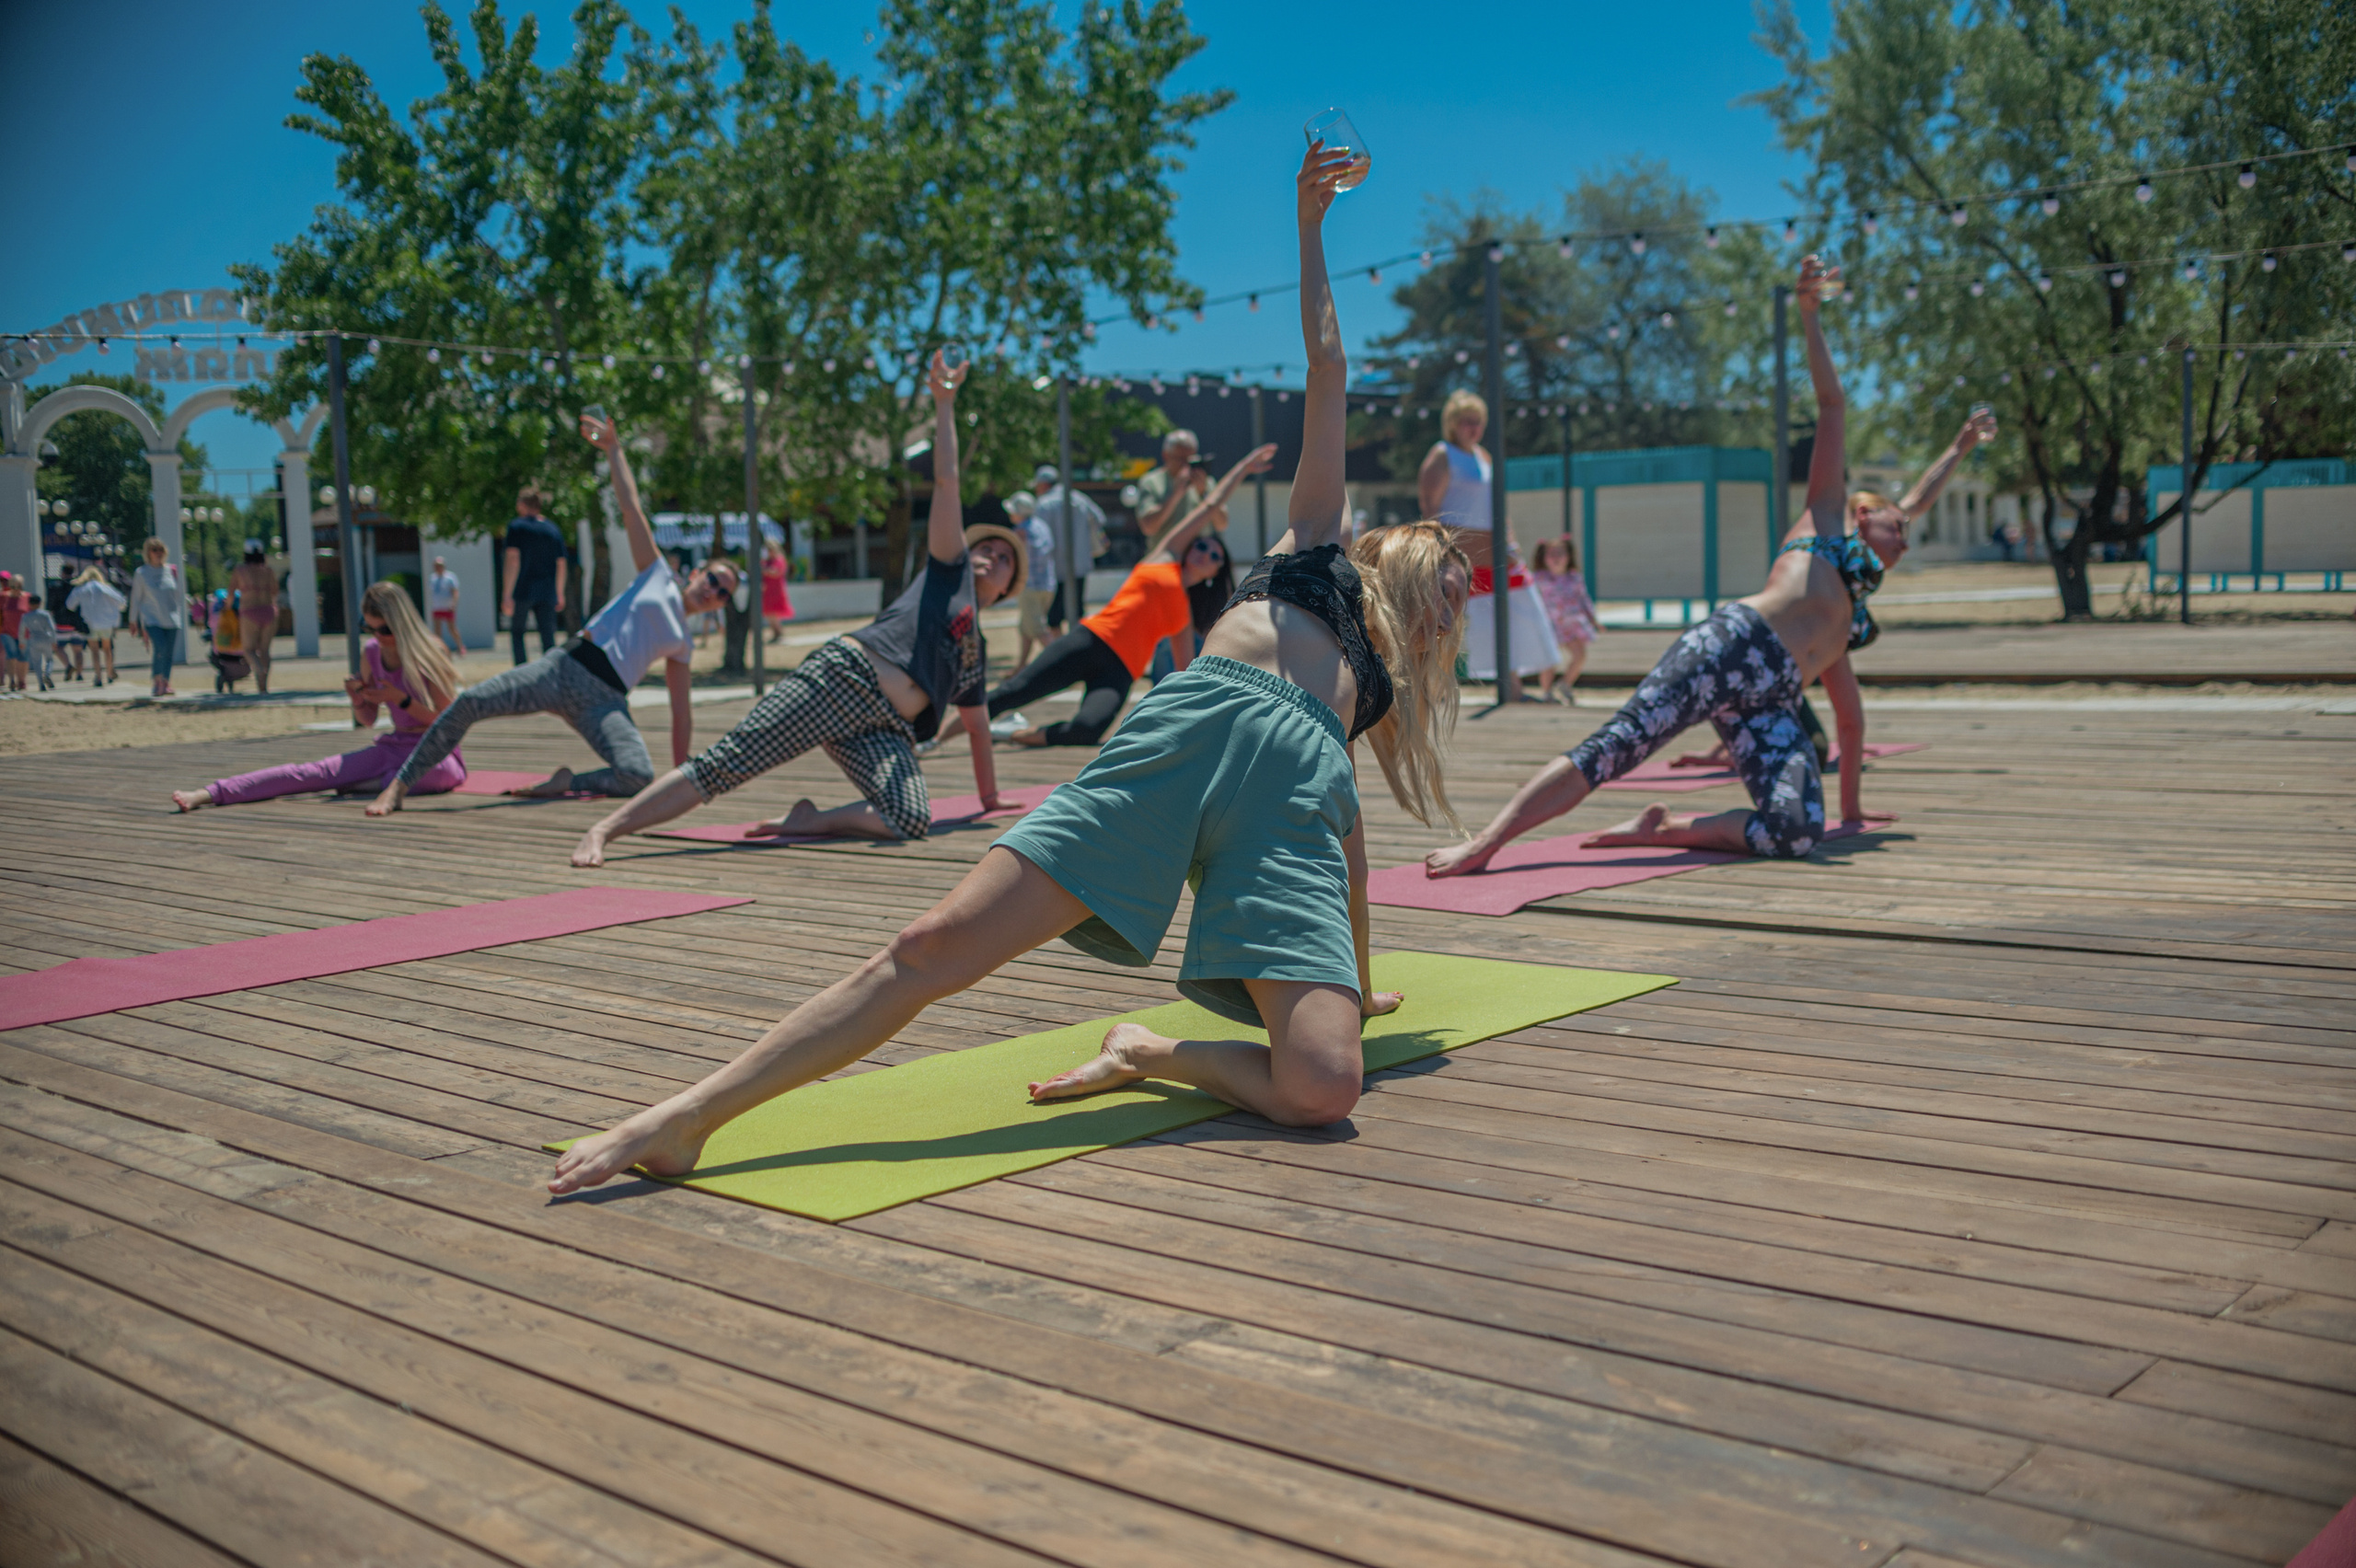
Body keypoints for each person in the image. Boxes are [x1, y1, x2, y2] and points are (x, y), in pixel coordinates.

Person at [549, 140, 1472, 1195]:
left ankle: (1144, 1051)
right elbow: (1327, 374)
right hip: (1192, 732)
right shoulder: (1315, 550)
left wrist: (1354, 983)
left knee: (1321, 1088)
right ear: (1394, 557)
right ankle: (687, 1115)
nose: (1458, 590)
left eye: (1464, 589)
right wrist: (1308, 229)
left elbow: (1344, 851)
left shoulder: (1375, 694)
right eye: (1448, 568)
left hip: (1293, 797)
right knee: (936, 942)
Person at [1426, 259, 1998, 875]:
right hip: (1728, 648)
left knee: (1796, 830)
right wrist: (1810, 316)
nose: (1906, 538)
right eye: (1898, 526)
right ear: (1865, 517)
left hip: (1771, 696)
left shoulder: (1846, 618)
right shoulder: (1824, 522)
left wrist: (1961, 448)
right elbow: (1832, 405)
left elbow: (1852, 723)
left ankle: (1661, 828)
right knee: (1616, 748)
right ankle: (1484, 844)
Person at [568, 352, 1023, 866]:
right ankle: (606, 829)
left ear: (1009, 587)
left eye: (1006, 559)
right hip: (844, 679)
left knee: (910, 817)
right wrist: (944, 403)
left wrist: (989, 801)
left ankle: (811, 819)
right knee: (728, 764)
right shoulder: (950, 568)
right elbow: (947, 483)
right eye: (988, 547)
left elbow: (979, 727)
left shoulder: (974, 652)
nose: (993, 556)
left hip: (883, 729)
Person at [369, 414, 734, 816]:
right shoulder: (657, 574)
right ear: (698, 573)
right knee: (470, 702)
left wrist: (680, 777)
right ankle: (399, 786)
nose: (712, 591)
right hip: (561, 669)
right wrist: (614, 449)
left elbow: (681, 713)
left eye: (722, 594)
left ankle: (566, 783)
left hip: (604, 702)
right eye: (713, 579)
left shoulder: (682, 642)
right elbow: (631, 508)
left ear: (719, 605)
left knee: (636, 775)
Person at [945, 443, 1276, 749]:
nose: (1205, 553)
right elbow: (1209, 505)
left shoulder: (1185, 618)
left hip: (1120, 671)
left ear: (1216, 573)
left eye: (1215, 556)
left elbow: (1186, 672)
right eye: (1202, 545)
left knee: (1086, 731)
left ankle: (1010, 733)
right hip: (1091, 641)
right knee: (1012, 692)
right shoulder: (1163, 558)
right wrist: (1245, 467)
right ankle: (935, 739)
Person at [173, 582, 465, 812]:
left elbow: (451, 722)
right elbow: (368, 720)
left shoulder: (431, 651)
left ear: (401, 623)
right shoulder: (372, 652)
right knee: (311, 773)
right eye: (369, 628)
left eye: (385, 629)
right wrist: (358, 699)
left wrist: (401, 699)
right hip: (394, 746)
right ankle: (210, 793)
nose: (377, 635)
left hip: (436, 750)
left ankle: (374, 784)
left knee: (441, 774)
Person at [1420, 389, 1560, 693]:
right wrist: (1439, 551)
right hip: (1459, 551)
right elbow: (1429, 506)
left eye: (1479, 421)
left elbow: (1495, 503)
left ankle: (1516, 684)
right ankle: (1435, 690)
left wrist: (1510, 538)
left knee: (1522, 608)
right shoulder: (1443, 453)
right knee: (1456, 622)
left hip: (1494, 547)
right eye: (1467, 421)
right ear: (1453, 423)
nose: (1474, 428)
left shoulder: (1484, 456)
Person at [1031, 463, 1106, 629]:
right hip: (1080, 565)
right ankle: (1075, 649)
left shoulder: (1043, 504)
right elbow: (1100, 519)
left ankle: (1061, 650)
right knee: (1077, 613)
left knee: (1054, 618)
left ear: (1044, 485)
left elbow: (1039, 535)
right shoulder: (1079, 498)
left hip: (1055, 569)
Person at [1529, 535, 1599, 703]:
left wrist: (1593, 619)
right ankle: (1546, 692)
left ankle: (1565, 684)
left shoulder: (1574, 578)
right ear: (1543, 558)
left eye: (1560, 553)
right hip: (1549, 626)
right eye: (1551, 554)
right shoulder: (1538, 578)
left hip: (1571, 625)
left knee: (1580, 655)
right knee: (1549, 661)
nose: (1556, 558)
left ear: (1569, 556)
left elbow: (1584, 599)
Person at [502, 487, 569, 664]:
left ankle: (520, 672)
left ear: (523, 504)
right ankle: (549, 673)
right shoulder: (552, 529)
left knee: (517, 632)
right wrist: (559, 592)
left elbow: (513, 561)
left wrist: (507, 593)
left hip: (522, 589)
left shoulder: (517, 527)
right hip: (547, 591)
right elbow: (561, 564)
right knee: (548, 636)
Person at [1008, 492, 1062, 668]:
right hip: (1047, 585)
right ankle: (1021, 667)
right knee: (1026, 628)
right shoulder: (1041, 526)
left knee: (1039, 630)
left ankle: (1066, 665)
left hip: (1029, 587)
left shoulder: (1021, 531)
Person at [130, 539, 186, 698]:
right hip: (152, 619)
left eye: (161, 549)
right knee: (160, 648)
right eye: (154, 550)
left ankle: (166, 682)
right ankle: (157, 681)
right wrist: (133, 620)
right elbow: (135, 598)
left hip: (172, 618)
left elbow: (178, 595)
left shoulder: (172, 570)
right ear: (148, 553)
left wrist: (181, 615)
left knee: (168, 653)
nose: (158, 553)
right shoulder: (141, 573)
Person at [229, 539, 279, 695]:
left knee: (248, 650)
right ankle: (263, 686)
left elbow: (230, 593)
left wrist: (228, 609)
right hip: (269, 611)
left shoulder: (240, 570)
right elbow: (275, 591)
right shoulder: (268, 570)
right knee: (265, 650)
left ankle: (259, 670)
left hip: (249, 612)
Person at [66, 566, 123, 686]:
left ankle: (98, 677)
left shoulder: (81, 589)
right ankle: (109, 674)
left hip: (90, 623)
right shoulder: (105, 587)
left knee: (95, 650)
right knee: (107, 650)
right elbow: (121, 601)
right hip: (106, 623)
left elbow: (70, 605)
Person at [18, 595, 57, 692]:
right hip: (46, 639)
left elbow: (21, 630)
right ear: (40, 603)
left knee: (36, 663)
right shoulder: (45, 614)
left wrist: (22, 641)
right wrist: (54, 640)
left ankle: (41, 683)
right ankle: (47, 674)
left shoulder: (26, 616)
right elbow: (52, 628)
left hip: (34, 640)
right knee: (49, 660)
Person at [427, 555, 465, 653]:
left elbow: (455, 592)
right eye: (436, 565)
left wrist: (454, 604)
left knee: (452, 629)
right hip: (437, 607)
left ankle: (460, 647)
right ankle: (440, 650)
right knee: (437, 630)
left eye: (439, 565)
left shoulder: (450, 577)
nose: (438, 567)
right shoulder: (432, 578)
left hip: (448, 607)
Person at [0, 571, 29, 693]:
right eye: (14, 586)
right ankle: (12, 680)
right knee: (11, 655)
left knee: (23, 657)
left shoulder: (28, 597)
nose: (16, 590)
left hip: (24, 633)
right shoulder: (3, 597)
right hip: (7, 632)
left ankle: (21, 680)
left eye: (19, 586)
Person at [760, 543, 793, 642]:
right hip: (767, 590)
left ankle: (778, 633)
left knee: (774, 613)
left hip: (776, 589)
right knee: (769, 613)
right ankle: (775, 633)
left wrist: (765, 570)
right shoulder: (766, 561)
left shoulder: (779, 560)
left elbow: (775, 572)